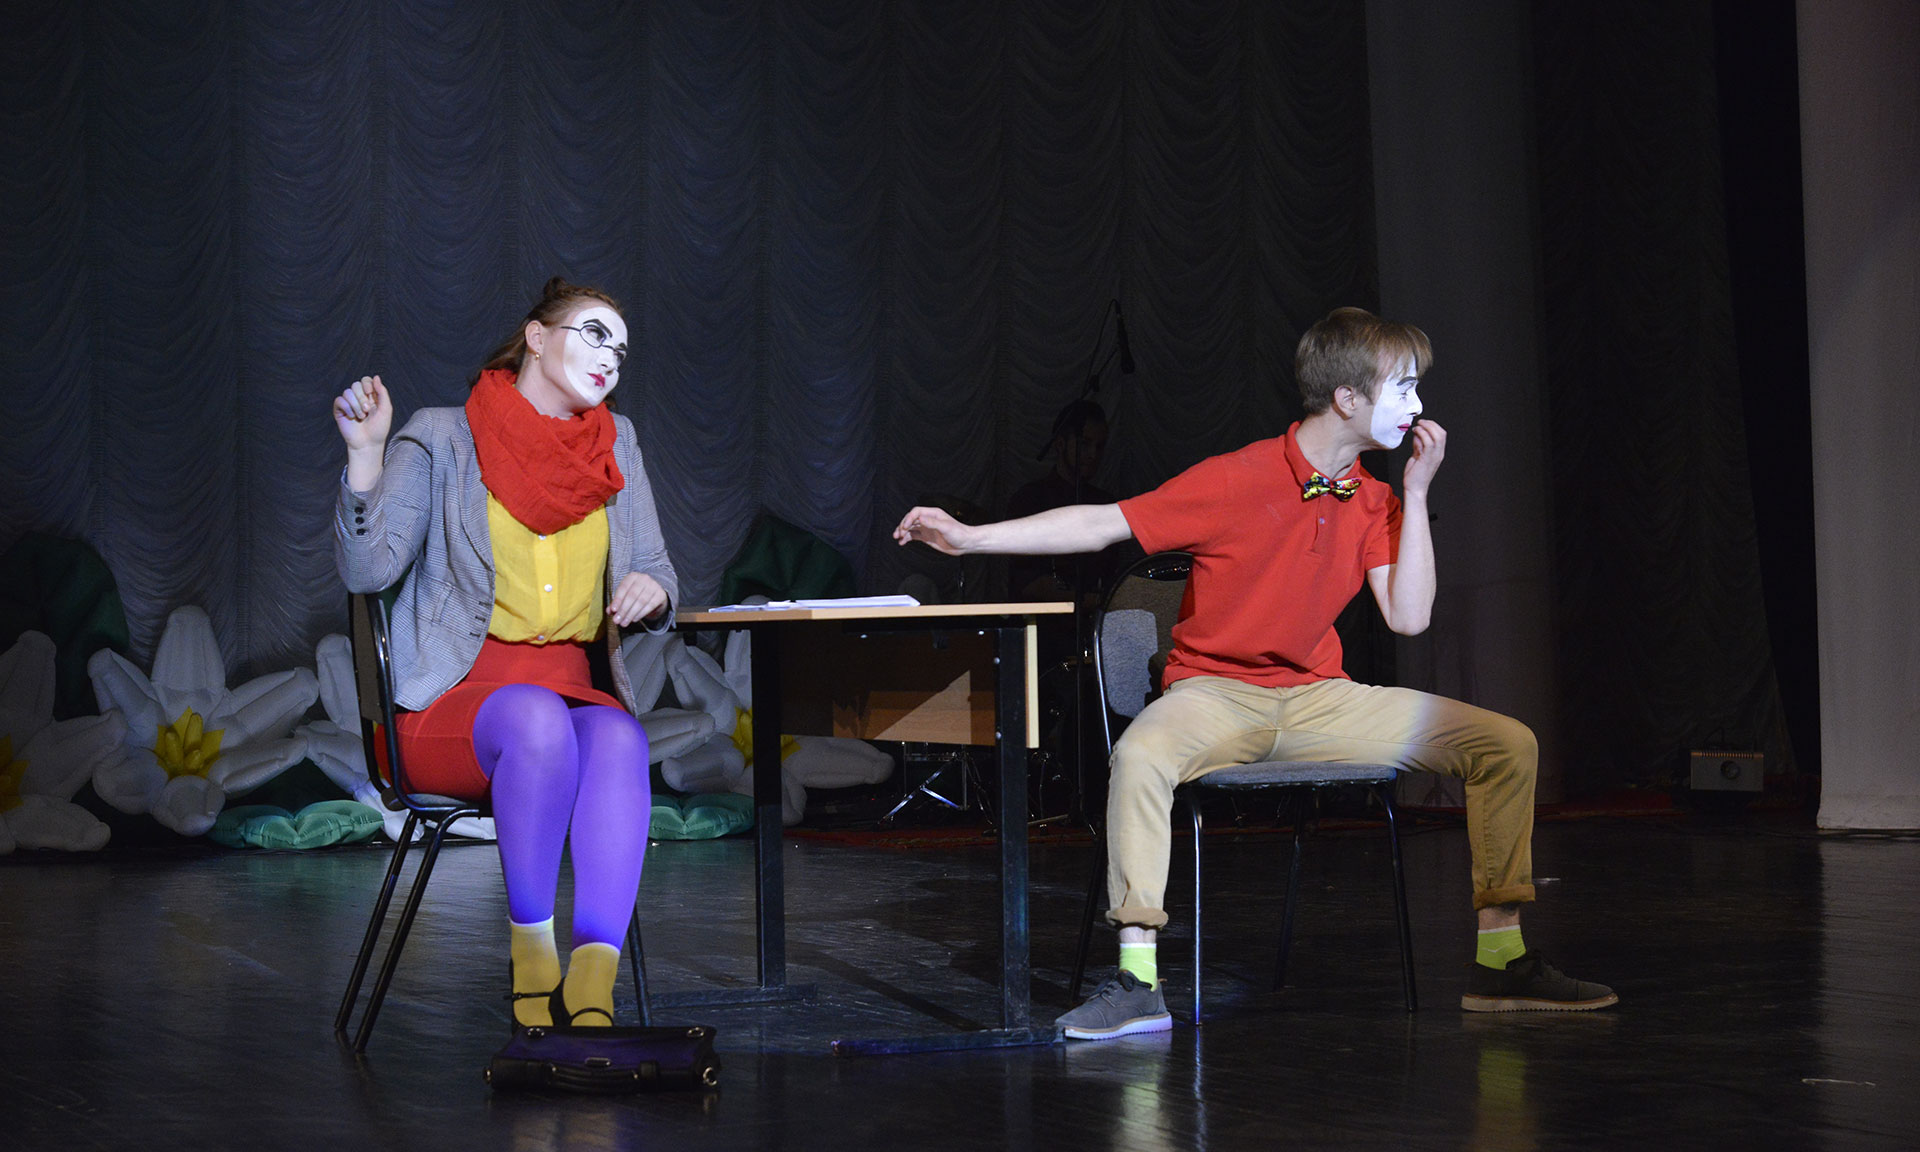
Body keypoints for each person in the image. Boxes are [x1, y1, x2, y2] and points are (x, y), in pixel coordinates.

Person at [895, 306, 1615, 1040]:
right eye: (1403, 388)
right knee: (1140, 756)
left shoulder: (1375, 499)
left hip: (1319, 701)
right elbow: (1104, 522)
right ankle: (1138, 981)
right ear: (1347, 398)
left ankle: (1501, 961)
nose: (1418, 404)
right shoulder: (1237, 477)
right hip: (1215, 694)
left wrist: (1420, 493)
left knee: (1505, 744)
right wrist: (970, 538)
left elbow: (1409, 617)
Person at [332, 277, 678, 1029]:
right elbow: (368, 570)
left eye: (621, 351)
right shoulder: (444, 437)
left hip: (570, 691)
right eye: (594, 336)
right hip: (451, 703)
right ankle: (532, 962)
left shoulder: (617, 444)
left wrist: (653, 588)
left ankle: (592, 989)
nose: (610, 359)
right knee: (534, 720)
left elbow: (657, 565)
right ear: (537, 338)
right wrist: (365, 457)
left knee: (619, 738)